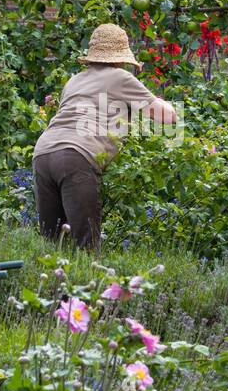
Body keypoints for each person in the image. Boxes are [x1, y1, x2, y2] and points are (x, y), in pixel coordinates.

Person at [32, 23, 177, 249]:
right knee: (86, 246)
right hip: (75, 156)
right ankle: (90, 284)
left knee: (51, 244)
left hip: (43, 153)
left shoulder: (74, 80)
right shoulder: (120, 77)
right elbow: (167, 117)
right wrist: (156, 100)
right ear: (120, 58)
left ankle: (49, 284)